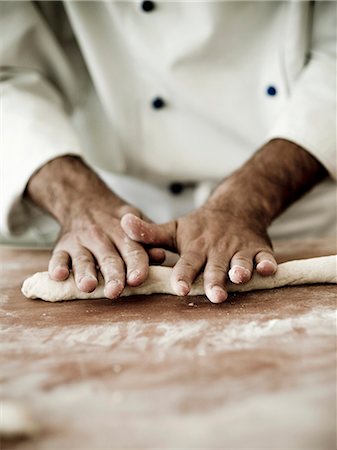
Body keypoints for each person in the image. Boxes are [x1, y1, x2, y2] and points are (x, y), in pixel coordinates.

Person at [1, 1, 336, 303]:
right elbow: (6, 74)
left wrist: (250, 199)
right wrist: (76, 201)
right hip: (114, 218)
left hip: (293, 218)